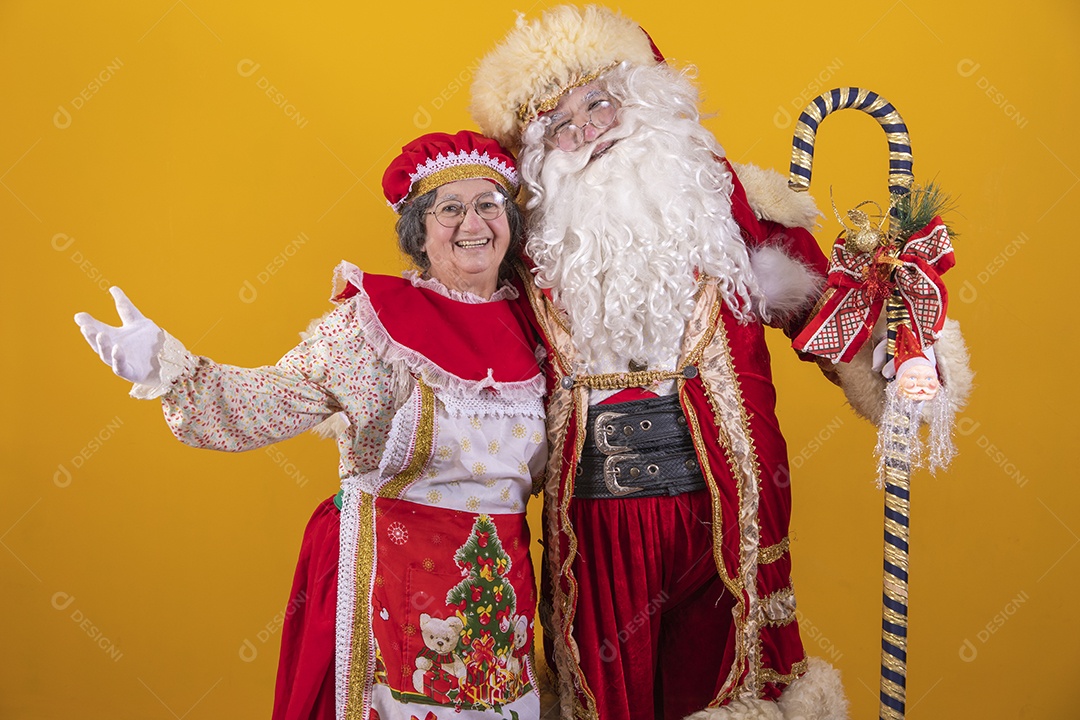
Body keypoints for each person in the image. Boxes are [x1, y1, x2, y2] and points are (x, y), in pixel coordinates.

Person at [74, 130, 547, 720]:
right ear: (419, 233)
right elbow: (269, 401)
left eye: (488, 204)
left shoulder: (541, 329)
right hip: (386, 583)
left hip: (494, 593)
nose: (472, 222)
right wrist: (171, 367)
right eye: (449, 208)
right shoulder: (375, 327)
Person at [469, 6, 854, 719]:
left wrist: (900, 365)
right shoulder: (524, 257)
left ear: (643, 100)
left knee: (731, 679)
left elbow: (821, 306)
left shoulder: (722, 200)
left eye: (598, 103)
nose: (587, 132)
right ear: (539, 154)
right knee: (606, 687)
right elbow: (472, 363)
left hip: (729, 505)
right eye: (560, 125)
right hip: (596, 521)